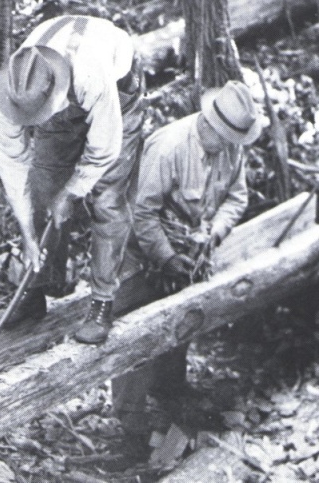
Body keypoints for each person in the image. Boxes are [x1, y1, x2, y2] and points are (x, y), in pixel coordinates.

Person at [111, 80, 265, 444]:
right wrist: (166, 257)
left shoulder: (231, 149)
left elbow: (237, 198)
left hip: (190, 247)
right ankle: (129, 418)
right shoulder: (168, 148)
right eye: (225, 137)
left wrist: (214, 233)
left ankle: (169, 389)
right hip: (140, 250)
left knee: (181, 318)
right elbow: (142, 214)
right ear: (208, 123)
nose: (229, 146)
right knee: (136, 328)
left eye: (234, 140)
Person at [0, 15, 144, 342]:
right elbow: (13, 163)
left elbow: (104, 150)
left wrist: (72, 192)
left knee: (107, 201)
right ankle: (34, 290)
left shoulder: (92, 74)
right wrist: (27, 231)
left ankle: (102, 301)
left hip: (119, 93)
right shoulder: (13, 91)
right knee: (42, 189)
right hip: (60, 99)